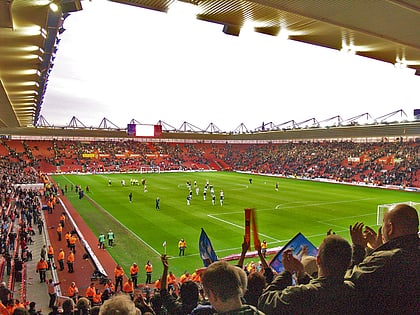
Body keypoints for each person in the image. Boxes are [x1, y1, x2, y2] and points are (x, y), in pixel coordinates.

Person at [345, 203, 419, 314]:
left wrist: (358, 248)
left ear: (390, 228)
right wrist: (378, 249)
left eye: (383, 224)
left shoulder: (386, 260)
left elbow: (348, 281)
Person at [258, 234, 358, 314]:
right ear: (349, 264)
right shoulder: (352, 290)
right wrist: (302, 275)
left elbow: (264, 301)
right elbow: (325, 289)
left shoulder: (299, 295)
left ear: (318, 260)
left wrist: (287, 272)